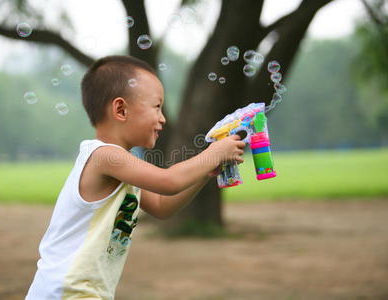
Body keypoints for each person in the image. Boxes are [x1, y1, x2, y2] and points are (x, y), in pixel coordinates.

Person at [26, 55, 245, 299]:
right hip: (66, 291)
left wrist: (207, 171)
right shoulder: (104, 156)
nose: (163, 118)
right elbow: (169, 182)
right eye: (157, 107)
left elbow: (163, 206)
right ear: (121, 109)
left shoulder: (121, 164)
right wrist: (212, 154)